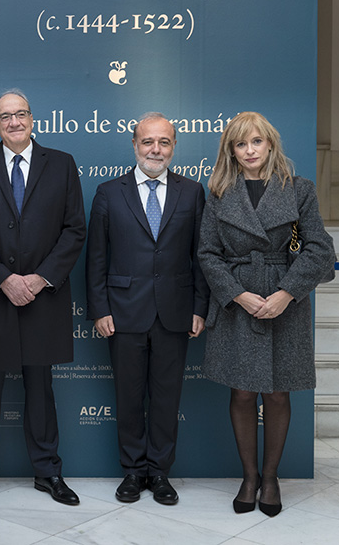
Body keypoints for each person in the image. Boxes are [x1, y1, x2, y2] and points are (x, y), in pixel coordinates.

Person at [198, 111, 335, 517]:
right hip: (238, 302)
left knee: (277, 392)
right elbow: (208, 253)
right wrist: (238, 295)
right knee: (242, 391)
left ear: (270, 144)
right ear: (231, 151)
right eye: (241, 144)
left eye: (256, 141)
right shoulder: (219, 193)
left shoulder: (299, 189)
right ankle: (249, 476)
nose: (249, 150)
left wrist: (286, 294)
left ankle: (271, 478)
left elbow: (320, 249)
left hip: (285, 302)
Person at [0, 89, 86, 506]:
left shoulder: (61, 164)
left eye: (21, 114)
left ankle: (48, 472)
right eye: (5, 116)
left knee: (41, 388)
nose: (14, 122)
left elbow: (74, 229)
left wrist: (41, 278)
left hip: (42, 296)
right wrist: (4, 279)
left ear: (32, 119)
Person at [85, 112, 209, 506]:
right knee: (128, 396)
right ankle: (133, 471)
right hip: (123, 312)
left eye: (164, 142)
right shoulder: (109, 192)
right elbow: (96, 257)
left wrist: (200, 306)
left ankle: (159, 473)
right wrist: (100, 308)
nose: (155, 149)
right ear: (135, 145)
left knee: (167, 398)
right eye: (148, 142)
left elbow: (201, 256)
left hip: (175, 311)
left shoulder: (192, 192)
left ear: (173, 147)